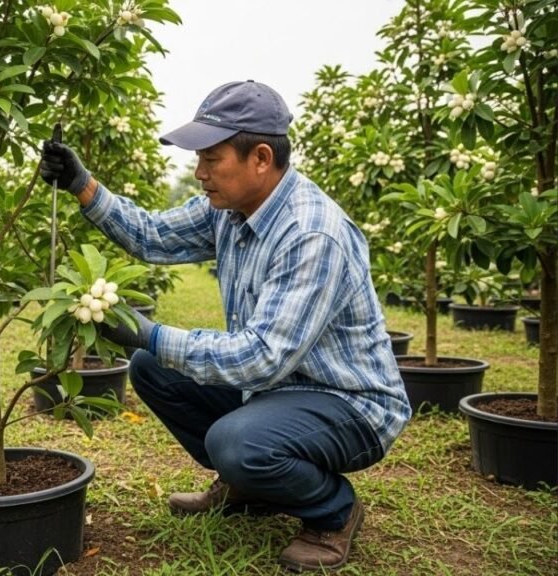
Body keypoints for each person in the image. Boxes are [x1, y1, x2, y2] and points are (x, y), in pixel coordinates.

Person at [40, 80, 411, 572]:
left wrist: (149, 331)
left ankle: (334, 511)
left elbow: (260, 357)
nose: (199, 173)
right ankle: (249, 488)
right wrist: (82, 184)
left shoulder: (311, 234)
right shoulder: (231, 210)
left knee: (235, 442)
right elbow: (152, 236)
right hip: (281, 391)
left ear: (260, 157)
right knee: (152, 367)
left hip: (349, 402)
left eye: (211, 160)